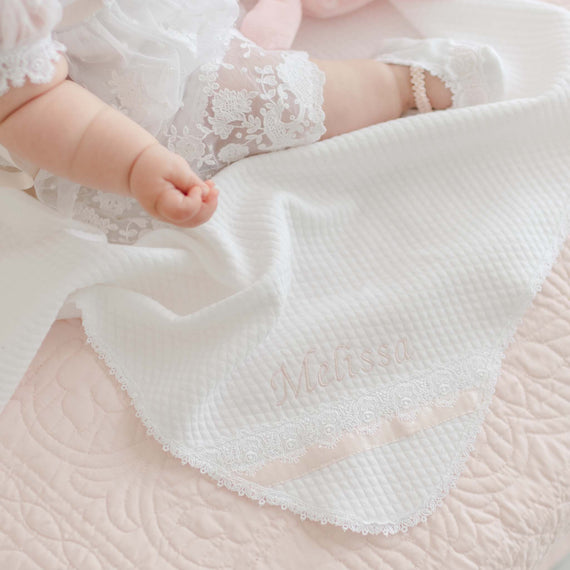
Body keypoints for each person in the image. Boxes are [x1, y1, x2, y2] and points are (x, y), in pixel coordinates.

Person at [0, 0, 505, 243]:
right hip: (116, 87)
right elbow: (32, 107)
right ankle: (396, 84)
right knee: (266, 99)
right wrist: (137, 165)